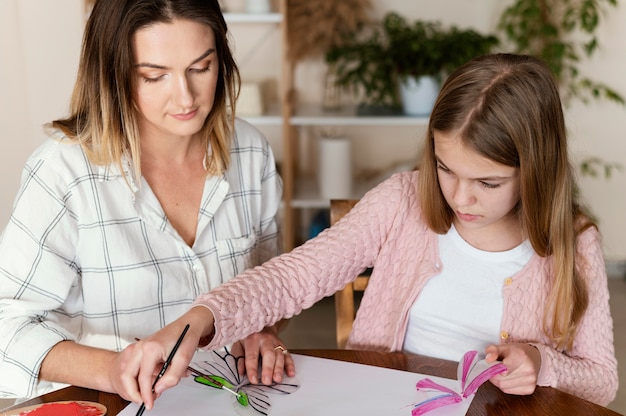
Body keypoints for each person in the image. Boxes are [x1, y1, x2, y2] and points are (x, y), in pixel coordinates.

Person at [122, 53, 617, 410]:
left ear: (536, 170)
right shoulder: (403, 200)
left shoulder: (575, 242)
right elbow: (294, 277)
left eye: (488, 182)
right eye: (445, 168)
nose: (459, 198)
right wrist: (194, 323)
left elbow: (602, 383)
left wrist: (541, 363)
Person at [0, 0, 296, 400]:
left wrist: (261, 330)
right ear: (113, 74)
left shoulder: (250, 153)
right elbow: (7, 329)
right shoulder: (62, 173)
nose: (185, 97)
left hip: (226, 400)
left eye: (201, 67)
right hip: (106, 403)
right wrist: (111, 369)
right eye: (155, 76)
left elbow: (268, 290)